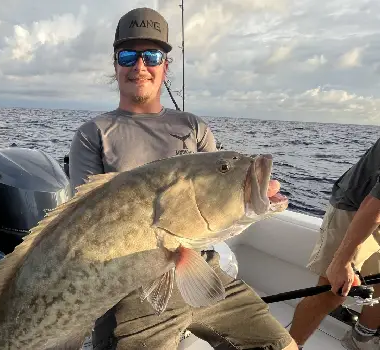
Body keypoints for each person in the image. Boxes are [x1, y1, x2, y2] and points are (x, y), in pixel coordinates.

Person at [68, 7, 298, 350]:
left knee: (283, 345)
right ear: (115, 64)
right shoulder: (93, 134)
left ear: (166, 64)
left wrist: (247, 199)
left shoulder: (194, 128)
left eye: (153, 55)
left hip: (204, 272)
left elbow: (215, 201)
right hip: (132, 293)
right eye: (128, 55)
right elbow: (87, 229)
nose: (140, 66)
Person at [289, 137, 380, 350]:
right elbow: (373, 205)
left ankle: (362, 338)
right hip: (356, 208)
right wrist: (342, 261)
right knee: (331, 292)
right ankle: (289, 346)